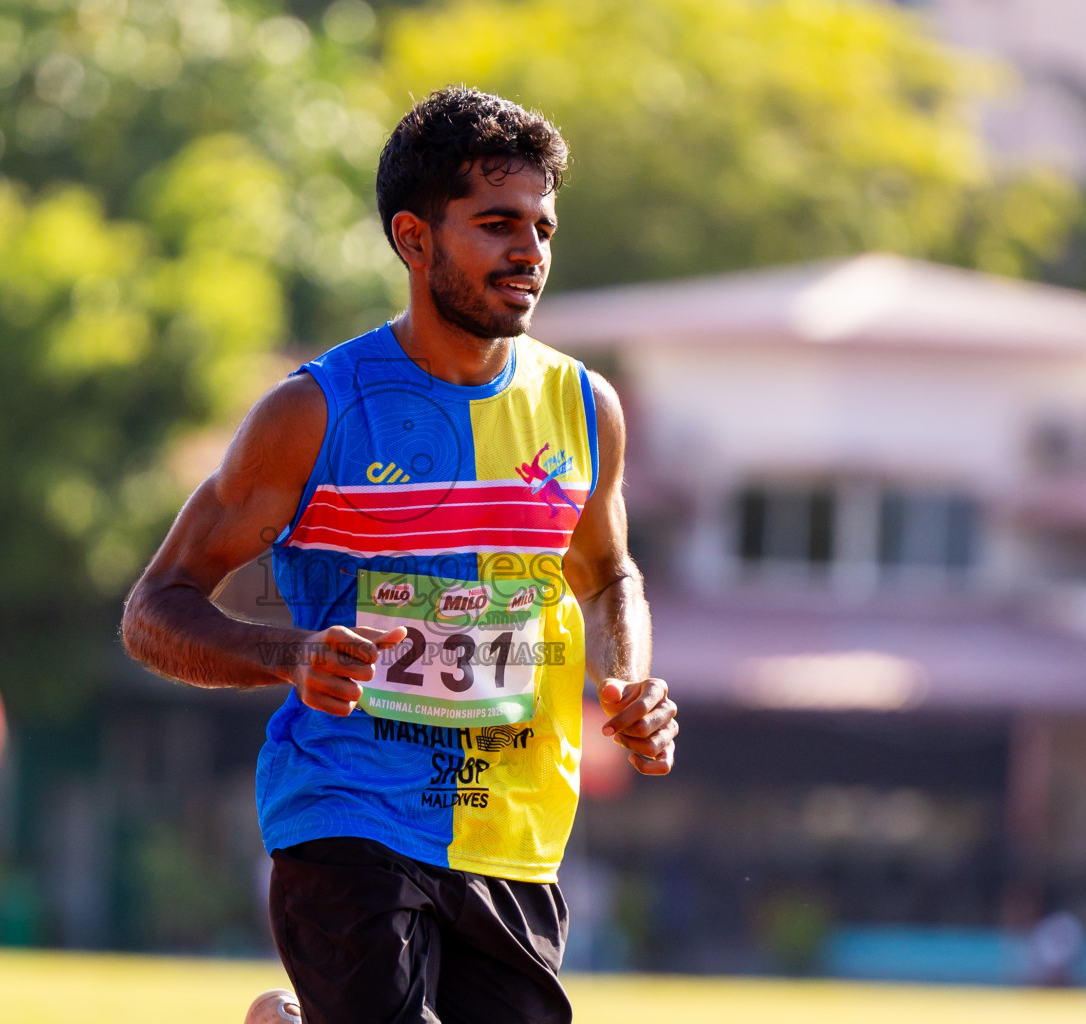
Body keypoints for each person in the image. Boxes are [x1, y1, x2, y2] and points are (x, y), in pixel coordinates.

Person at [122, 87, 678, 1024]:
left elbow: (608, 571)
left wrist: (631, 678)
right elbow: (153, 612)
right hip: (348, 807)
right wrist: (290, 656)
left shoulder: (585, 409)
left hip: (514, 827)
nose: (529, 254)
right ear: (414, 239)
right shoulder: (315, 414)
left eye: (542, 228)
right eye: (497, 225)